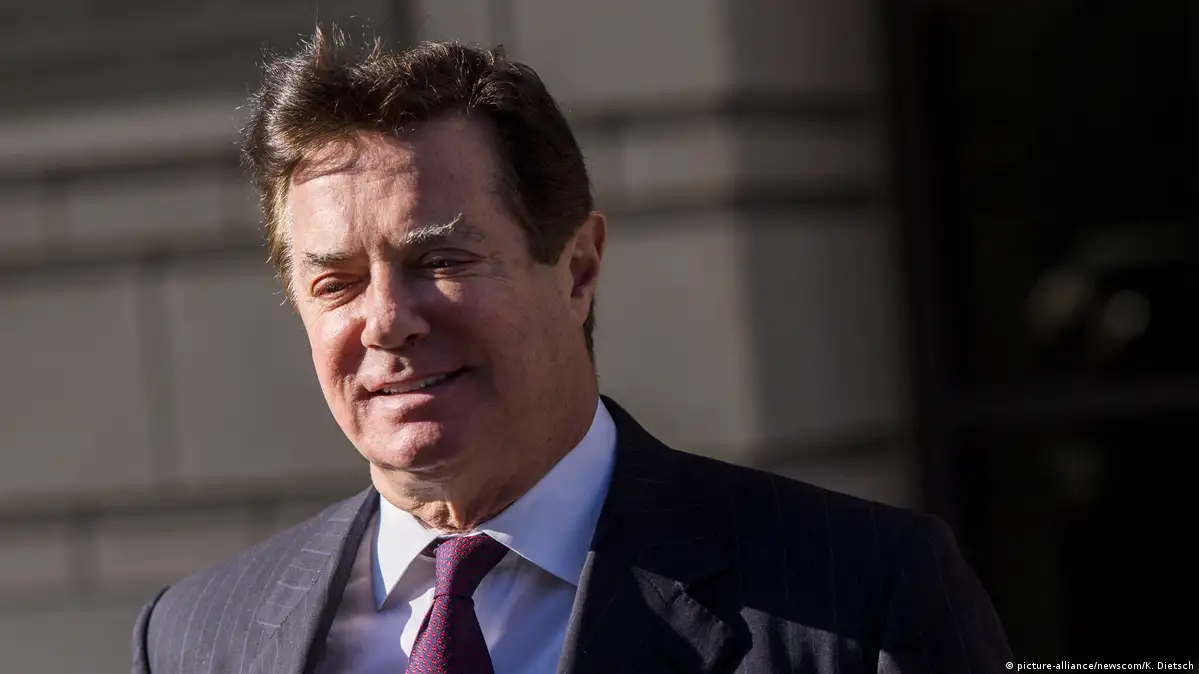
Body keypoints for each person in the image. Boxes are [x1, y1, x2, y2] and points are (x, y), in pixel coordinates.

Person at [131, 29, 1011, 674]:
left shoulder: (861, 595)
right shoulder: (192, 639)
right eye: (337, 283)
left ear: (578, 268)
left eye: (442, 261)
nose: (387, 320)